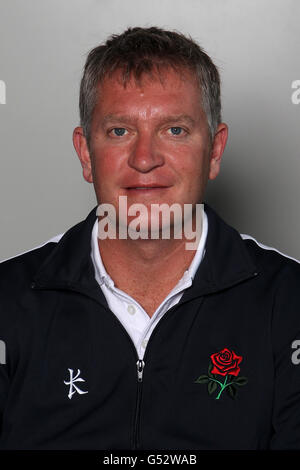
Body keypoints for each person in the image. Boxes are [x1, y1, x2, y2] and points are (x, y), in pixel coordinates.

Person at [0, 26, 299, 451]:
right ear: (86, 154)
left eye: (174, 130)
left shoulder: (288, 302)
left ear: (214, 151)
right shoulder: (8, 301)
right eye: (119, 131)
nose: (145, 160)